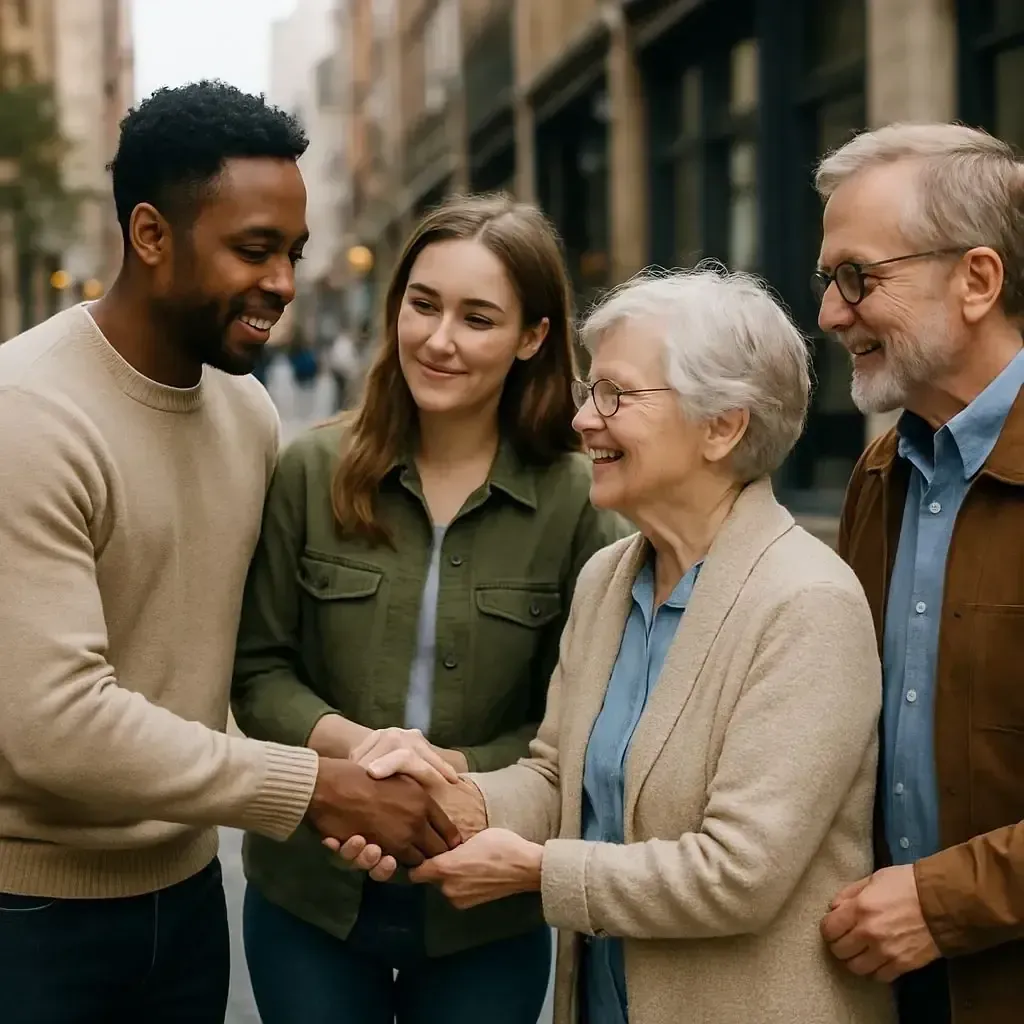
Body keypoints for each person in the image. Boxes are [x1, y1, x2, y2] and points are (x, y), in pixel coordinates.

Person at [0, 80, 456, 1024]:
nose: (284, 283)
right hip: (29, 918)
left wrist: (364, 753)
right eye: (253, 250)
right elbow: (55, 727)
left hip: (190, 897)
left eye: (292, 252)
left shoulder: (245, 411)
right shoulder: (28, 416)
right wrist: (316, 790)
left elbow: (244, 657)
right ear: (151, 235)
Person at [339, 266, 897, 1024]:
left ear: (722, 425)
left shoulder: (807, 603)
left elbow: (739, 873)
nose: (583, 422)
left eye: (617, 396)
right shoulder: (610, 576)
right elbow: (554, 777)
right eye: (589, 391)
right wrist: (445, 798)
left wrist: (538, 874)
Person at [231, 192, 630, 1024]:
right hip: (311, 892)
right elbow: (259, 670)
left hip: (488, 901)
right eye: (423, 304)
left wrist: (449, 779)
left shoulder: (578, 503)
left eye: (478, 318)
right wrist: (369, 754)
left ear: (532, 338)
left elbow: (585, 713)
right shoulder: (309, 472)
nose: (439, 339)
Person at [813, 123, 1024, 1024]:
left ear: (977, 280)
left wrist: (944, 903)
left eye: (858, 278)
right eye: (828, 282)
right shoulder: (879, 477)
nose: (829, 314)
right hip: (897, 988)